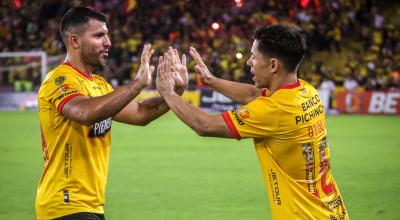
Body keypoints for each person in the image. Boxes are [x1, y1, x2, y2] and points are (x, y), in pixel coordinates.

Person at [156, 25, 349, 219]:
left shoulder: (275, 110)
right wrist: (211, 80)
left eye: (254, 57)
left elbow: (205, 125)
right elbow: (252, 94)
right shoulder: (306, 92)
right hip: (332, 211)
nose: (249, 62)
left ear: (273, 65)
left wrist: (168, 93)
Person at [35, 7, 187, 220]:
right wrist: (137, 85)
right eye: (99, 35)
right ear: (75, 41)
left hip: (91, 205)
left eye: (107, 35)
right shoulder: (58, 80)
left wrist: (174, 93)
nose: (108, 42)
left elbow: (141, 114)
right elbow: (85, 112)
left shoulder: (99, 84)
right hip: (64, 203)